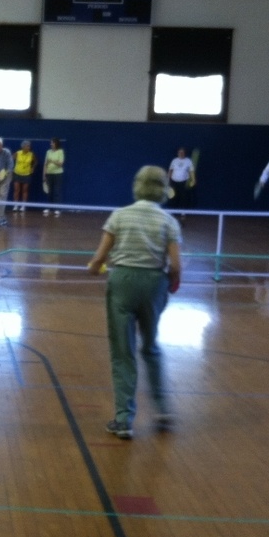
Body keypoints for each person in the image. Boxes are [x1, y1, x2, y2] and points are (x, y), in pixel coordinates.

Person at [87, 165, 182, 440]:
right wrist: (171, 286)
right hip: (155, 285)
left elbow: (99, 259)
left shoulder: (119, 216)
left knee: (122, 352)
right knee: (151, 347)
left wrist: (94, 267)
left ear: (137, 186)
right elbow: (175, 266)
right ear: (163, 189)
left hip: (122, 284)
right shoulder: (168, 221)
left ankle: (124, 420)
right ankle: (163, 410)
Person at [168, 147, 194, 217]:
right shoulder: (174, 161)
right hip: (173, 182)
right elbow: (170, 170)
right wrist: (168, 180)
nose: (181, 154)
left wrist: (193, 180)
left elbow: (191, 171)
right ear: (178, 153)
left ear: (185, 153)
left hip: (184, 183)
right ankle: (172, 216)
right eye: (180, 152)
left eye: (182, 152)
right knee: (172, 198)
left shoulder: (188, 161)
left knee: (184, 199)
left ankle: (183, 215)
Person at [11, 140, 36, 211]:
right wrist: (11, 169)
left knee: (25, 190)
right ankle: (15, 206)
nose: (29, 147)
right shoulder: (18, 153)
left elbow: (36, 162)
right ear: (23, 147)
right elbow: (10, 160)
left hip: (27, 174)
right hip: (17, 173)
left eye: (29, 146)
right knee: (16, 190)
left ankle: (23, 206)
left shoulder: (31, 154)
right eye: (27, 146)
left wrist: (33, 168)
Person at [42, 137, 64, 216]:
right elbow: (45, 164)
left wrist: (52, 161)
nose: (51, 144)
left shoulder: (60, 152)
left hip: (58, 174)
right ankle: (49, 208)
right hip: (49, 174)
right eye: (51, 143)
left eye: (52, 143)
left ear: (56, 143)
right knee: (49, 191)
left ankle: (57, 209)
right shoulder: (48, 152)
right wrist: (44, 175)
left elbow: (61, 164)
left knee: (57, 191)